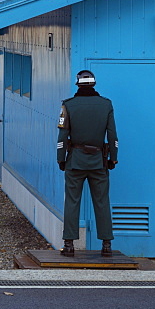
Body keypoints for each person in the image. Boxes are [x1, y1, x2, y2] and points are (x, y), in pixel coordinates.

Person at [57, 69, 118, 257]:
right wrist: (113, 158)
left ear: (78, 84)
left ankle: (69, 244)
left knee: (72, 202)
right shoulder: (106, 105)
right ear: (94, 84)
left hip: (75, 161)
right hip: (99, 162)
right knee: (101, 201)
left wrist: (61, 159)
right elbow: (113, 135)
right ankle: (106, 244)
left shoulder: (68, 105)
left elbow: (62, 135)